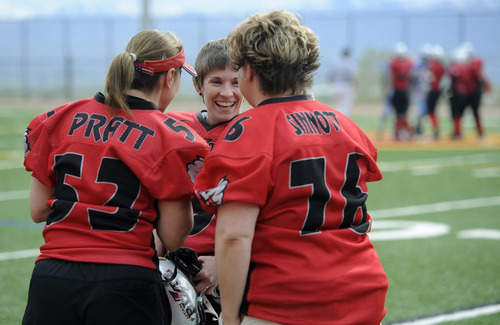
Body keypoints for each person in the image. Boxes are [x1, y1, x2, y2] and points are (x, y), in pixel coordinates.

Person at [194, 10, 388, 325]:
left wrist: (230, 316)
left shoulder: (249, 131)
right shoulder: (346, 125)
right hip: (364, 290)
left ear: (250, 72)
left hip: (292, 299)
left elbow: (234, 237)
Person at [22, 29, 209, 325]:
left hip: (53, 276)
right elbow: (174, 236)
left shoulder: (56, 119)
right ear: (170, 77)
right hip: (125, 280)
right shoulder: (172, 137)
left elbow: (38, 209)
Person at [161, 38, 243, 324]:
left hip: (235, 264)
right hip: (172, 264)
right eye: (217, 82)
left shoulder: (256, 133)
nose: (227, 93)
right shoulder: (171, 128)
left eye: (236, 82)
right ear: (198, 85)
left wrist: (223, 263)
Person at [387, 41, 414, 141]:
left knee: (398, 113)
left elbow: (391, 77)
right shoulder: (409, 63)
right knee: (404, 113)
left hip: (397, 90)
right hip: (406, 90)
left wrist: (388, 89)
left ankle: (399, 133)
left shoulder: (394, 63)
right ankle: (408, 131)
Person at [328, 47, 357, 116]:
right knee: (345, 108)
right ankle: (341, 123)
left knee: (337, 106)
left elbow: (330, 76)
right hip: (346, 85)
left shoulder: (335, 62)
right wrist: (354, 86)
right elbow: (352, 76)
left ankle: (335, 120)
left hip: (336, 85)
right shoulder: (349, 62)